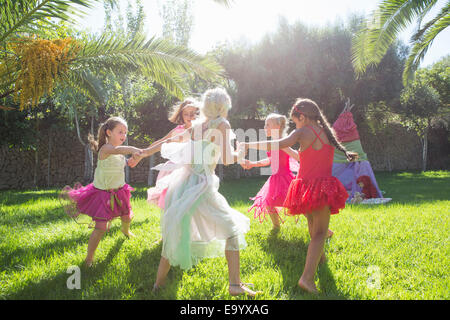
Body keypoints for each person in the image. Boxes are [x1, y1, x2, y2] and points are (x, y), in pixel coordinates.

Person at [132, 88, 259, 297]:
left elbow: (168, 141)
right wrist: (241, 153)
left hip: (183, 183)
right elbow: (227, 159)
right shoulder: (222, 125)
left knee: (176, 231)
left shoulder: (198, 126)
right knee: (232, 230)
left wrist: (144, 153)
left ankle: (158, 285)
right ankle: (234, 285)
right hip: (201, 186)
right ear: (222, 107)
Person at [240, 98, 357, 293]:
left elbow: (277, 144)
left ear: (302, 116)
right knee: (320, 233)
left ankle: (320, 260)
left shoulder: (303, 132)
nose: (295, 125)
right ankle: (307, 278)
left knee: (314, 229)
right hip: (321, 186)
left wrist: (249, 144)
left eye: (295, 121)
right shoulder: (325, 132)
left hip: (304, 186)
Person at [60, 116, 164, 267]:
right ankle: (89, 258)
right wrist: (134, 149)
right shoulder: (106, 149)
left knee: (127, 216)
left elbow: (120, 161)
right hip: (102, 194)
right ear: (108, 132)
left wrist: (131, 161)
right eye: (120, 132)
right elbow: (118, 150)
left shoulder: (118, 153)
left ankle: (126, 231)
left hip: (120, 190)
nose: (124, 136)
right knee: (100, 227)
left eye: (125, 133)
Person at [137, 98, 200, 209]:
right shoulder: (178, 130)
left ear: (198, 114)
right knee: (174, 198)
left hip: (193, 168)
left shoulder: (201, 130)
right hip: (175, 169)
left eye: (192, 114)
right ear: (181, 115)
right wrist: (143, 152)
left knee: (192, 202)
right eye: (186, 114)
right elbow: (161, 142)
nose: (189, 117)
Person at [241, 113, 299, 230]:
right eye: (265, 125)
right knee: (269, 203)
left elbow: (295, 155)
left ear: (277, 127)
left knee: (296, 203)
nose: (264, 128)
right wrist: (253, 163)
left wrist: (303, 158)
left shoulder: (282, 142)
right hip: (275, 178)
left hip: (285, 178)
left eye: (267, 125)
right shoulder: (274, 142)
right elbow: (270, 160)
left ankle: (321, 227)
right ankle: (276, 227)